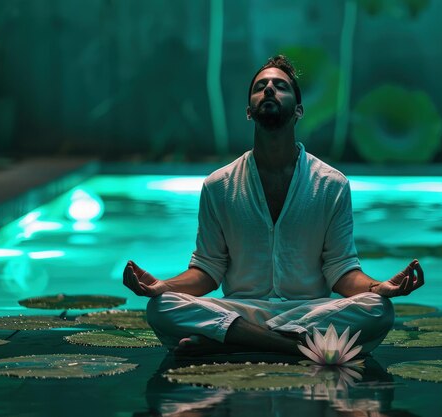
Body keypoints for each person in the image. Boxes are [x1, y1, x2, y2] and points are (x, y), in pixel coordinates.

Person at [123, 55, 424, 357]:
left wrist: (378, 288)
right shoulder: (218, 185)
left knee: (378, 309)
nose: (269, 89)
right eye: (260, 86)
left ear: (299, 110)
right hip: (241, 309)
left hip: (308, 313)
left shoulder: (332, 185)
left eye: (280, 86)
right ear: (248, 111)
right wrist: (163, 286)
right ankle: (291, 347)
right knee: (162, 306)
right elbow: (208, 269)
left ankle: (230, 342)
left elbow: (341, 270)